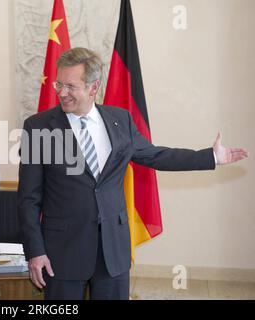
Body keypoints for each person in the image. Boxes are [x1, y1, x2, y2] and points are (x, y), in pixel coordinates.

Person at [17, 47, 249, 300]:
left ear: (94, 87)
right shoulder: (38, 127)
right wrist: (35, 251)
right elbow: (28, 198)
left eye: (71, 86)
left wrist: (211, 156)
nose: (62, 92)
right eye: (58, 84)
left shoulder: (120, 120)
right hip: (62, 252)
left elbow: (157, 155)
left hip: (112, 252)